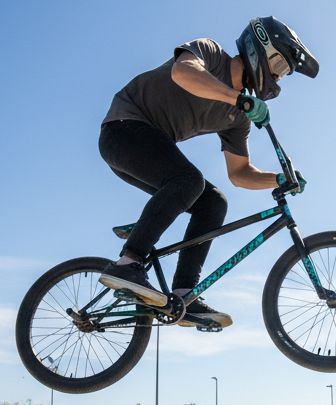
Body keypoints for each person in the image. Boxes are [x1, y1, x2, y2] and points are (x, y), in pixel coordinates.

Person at [96, 17, 318, 328]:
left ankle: (184, 293)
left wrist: (279, 179)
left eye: (283, 74)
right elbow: (183, 72)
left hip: (147, 152)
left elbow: (240, 173)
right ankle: (128, 263)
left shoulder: (237, 119)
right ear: (259, 50)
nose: (278, 77)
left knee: (214, 201)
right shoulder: (211, 54)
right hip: (123, 131)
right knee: (189, 181)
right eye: (279, 65)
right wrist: (238, 98)